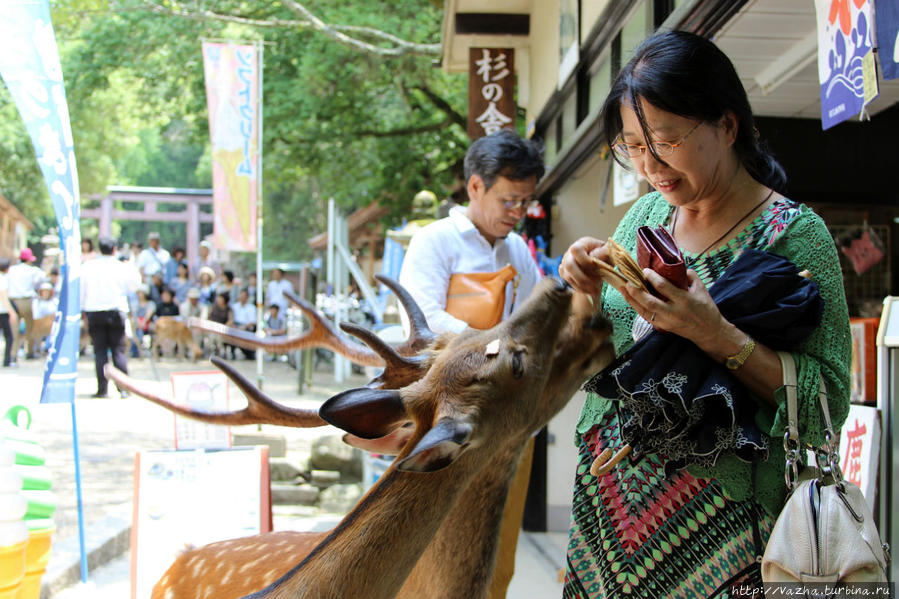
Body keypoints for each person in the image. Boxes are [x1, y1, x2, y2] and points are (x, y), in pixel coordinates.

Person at [557, 31, 850, 597]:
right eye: (633, 147)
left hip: (723, 524)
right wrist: (584, 293)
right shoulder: (645, 217)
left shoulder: (796, 236)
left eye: (664, 141)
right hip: (607, 509)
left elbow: (825, 403)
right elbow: (598, 360)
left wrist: (712, 332)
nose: (650, 167)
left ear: (727, 125)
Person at [397, 128, 545, 599]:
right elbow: (420, 321)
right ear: (475, 186)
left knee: (496, 554)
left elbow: (535, 319)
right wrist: (500, 348)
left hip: (507, 423)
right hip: (443, 421)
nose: (518, 213)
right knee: (425, 547)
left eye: (525, 202)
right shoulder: (434, 241)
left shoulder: (518, 250)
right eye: (509, 200)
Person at [81, 236, 141, 398]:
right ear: (115, 248)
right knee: (118, 351)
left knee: (100, 351)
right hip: (116, 312)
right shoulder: (121, 267)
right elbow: (136, 285)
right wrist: (131, 266)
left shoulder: (88, 266)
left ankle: (102, 389)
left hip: (94, 312)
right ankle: (123, 389)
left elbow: (81, 291)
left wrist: (82, 310)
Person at [7, 248, 44, 360]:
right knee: (30, 329)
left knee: (14, 330)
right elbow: (43, 277)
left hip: (13, 301)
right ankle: (30, 352)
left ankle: (13, 354)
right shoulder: (32, 270)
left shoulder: (11, 270)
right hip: (27, 301)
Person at [0, 259, 18, 368]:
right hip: (2, 312)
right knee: (9, 337)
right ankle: (7, 360)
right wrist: (12, 312)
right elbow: (4, 297)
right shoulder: (2, 279)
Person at [230, 288, 256, 359]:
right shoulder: (234, 306)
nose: (241, 297)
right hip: (235, 326)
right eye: (240, 295)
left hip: (246, 327)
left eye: (243, 296)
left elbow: (252, 322)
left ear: (247, 297)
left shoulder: (251, 308)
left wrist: (243, 327)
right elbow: (231, 319)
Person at [207, 292, 234, 358]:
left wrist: (223, 327)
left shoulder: (228, 309)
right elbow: (208, 317)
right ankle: (213, 350)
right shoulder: (213, 307)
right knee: (212, 335)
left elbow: (230, 320)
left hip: (223, 329)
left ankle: (221, 351)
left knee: (219, 335)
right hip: (212, 327)